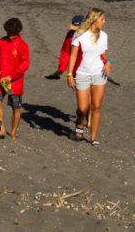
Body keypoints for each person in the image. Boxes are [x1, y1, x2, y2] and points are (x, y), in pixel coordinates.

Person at [66, 8, 110, 146]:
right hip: (82, 74)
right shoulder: (79, 35)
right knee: (83, 108)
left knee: (96, 106)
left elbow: (103, 54)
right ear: (94, 20)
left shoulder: (104, 36)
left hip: (99, 74)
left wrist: (108, 63)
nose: (104, 22)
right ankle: (79, 126)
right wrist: (69, 74)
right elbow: (72, 56)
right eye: (102, 19)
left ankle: (93, 138)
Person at [0, 18, 29, 141]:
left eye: (12, 34)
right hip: (1, 79)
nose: (9, 36)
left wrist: (11, 76)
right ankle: (2, 128)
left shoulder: (22, 45)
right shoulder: (1, 42)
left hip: (15, 82)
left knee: (16, 107)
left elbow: (24, 64)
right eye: (8, 33)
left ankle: (13, 132)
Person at [45, 15, 85, 80]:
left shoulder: (92, 35)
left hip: (91, 71)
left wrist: (106, 65)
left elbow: (99, 53)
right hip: (76, 73)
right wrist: (61, 69)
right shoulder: (70, 34)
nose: (76, 31)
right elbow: (65, 52)